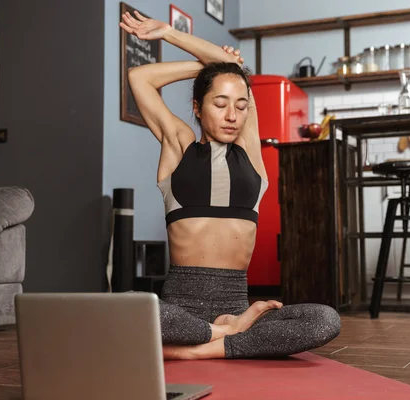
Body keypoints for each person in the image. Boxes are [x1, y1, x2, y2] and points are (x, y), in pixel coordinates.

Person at [119, 11, 341, 360]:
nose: (232, 115)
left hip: (237, 307)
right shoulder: (178, 145)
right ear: (198, 106)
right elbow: (139, 77)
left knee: (325, 320)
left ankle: (196, 350)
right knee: (128, 308)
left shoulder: (250, 154)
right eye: (220, 103)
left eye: (240, 105)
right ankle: (220, 339)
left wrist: (189, 48)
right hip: (179, 306)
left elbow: (232, 73)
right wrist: (204, 67)